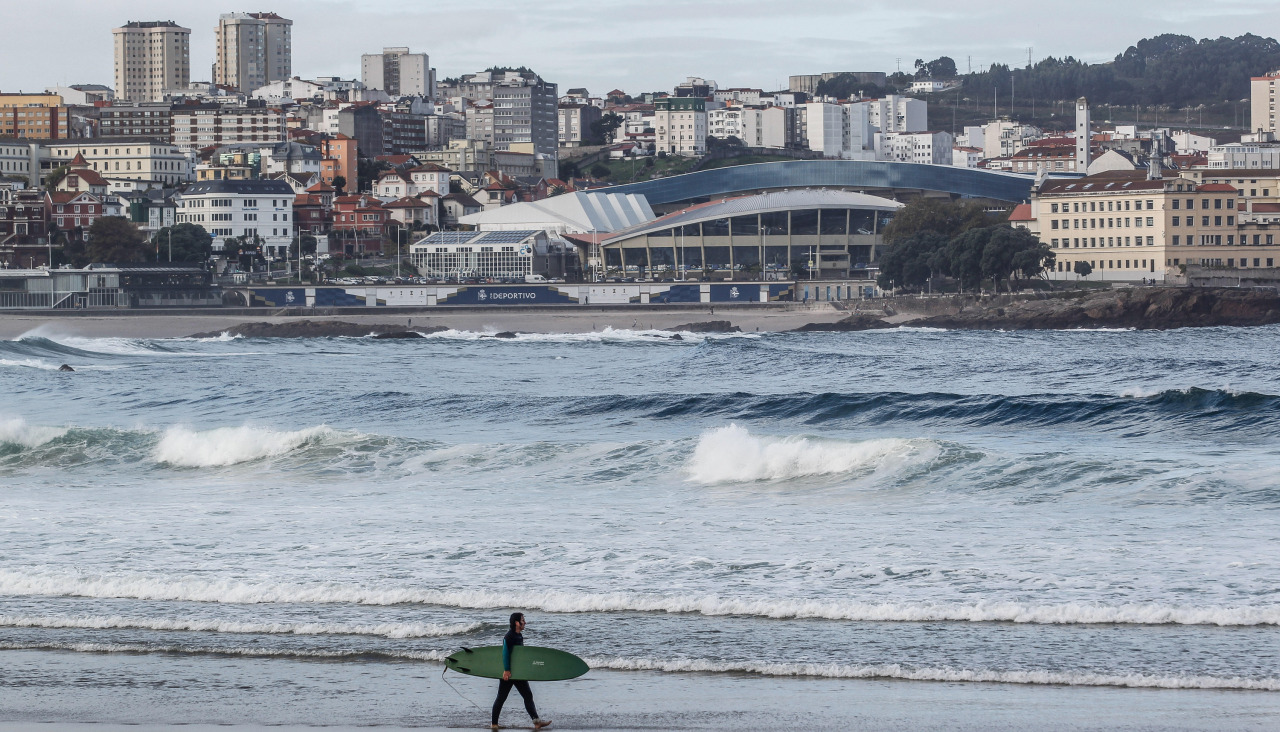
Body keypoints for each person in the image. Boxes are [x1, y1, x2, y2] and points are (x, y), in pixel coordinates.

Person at [492, 612, 550, 730]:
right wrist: (507, 670)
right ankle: (494, 724)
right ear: (516, 623)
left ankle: (537, 721)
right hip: (509, 673)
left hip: (518, 673)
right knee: (501, 697)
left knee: (528, 695)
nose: (525, 622)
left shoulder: (519, 636)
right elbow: (505, 653)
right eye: (523, 620)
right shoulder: (509, 636)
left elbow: (520, 656)